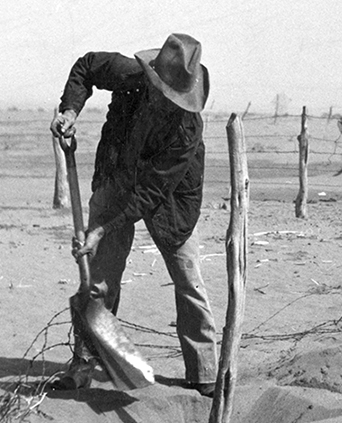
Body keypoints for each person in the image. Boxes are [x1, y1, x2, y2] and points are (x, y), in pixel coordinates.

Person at [49, 33, 218, 397]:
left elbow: (152, 191)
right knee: (99, 282)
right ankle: (84, 364)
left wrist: (103, 228)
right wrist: (69, 111)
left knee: (189, 280)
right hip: (118, 176)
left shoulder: (187, 129)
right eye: (160, 90)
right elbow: (86, 66)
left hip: (171, 195)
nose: (163, 100)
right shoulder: (127, 74)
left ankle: (204, 372)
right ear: (151, 77)